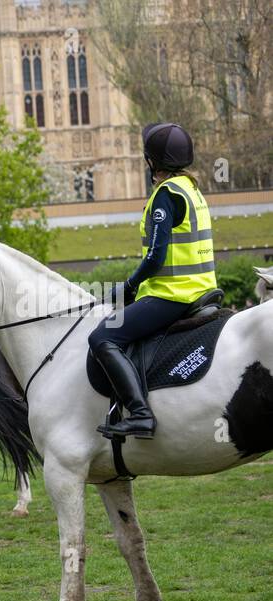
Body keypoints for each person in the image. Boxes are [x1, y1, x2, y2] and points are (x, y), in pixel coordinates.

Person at [87, 123, 217, 440]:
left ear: (151, 161)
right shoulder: (192, 189)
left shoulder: (165, 194)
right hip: (201, 288)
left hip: (173, 295)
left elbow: (155, 258)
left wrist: (128, 286)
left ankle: (141, 414)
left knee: (102, 337)